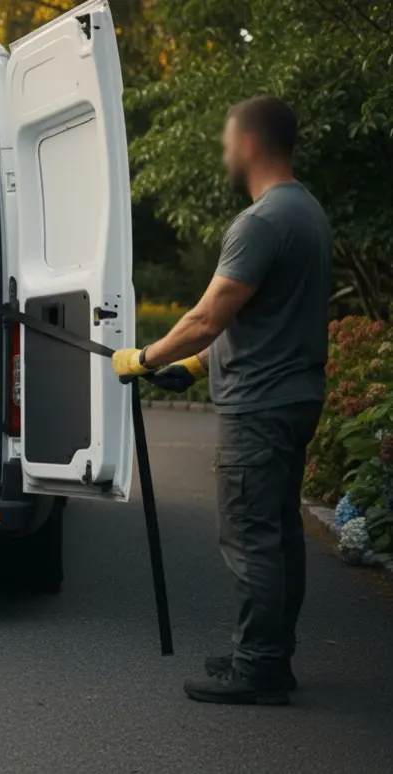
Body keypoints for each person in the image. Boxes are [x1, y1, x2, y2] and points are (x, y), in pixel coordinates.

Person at [112, 95, 331, 706]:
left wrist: (146, 356)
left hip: (259, 410)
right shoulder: (306, 210)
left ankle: (257, 668)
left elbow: (210, 314)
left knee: (251, 537)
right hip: (292, 399)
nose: (224, 150)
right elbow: (263, 319)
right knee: (280, 533)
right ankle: (270, 656)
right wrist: (195, 366)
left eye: (228, 139)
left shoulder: (260, 221)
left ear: (251, 144)